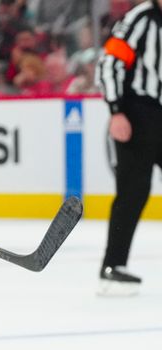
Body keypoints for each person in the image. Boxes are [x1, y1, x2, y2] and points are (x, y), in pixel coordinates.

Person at [95, 0, 162, 295]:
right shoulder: (140, 18)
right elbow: (109, 63)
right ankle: (112, 268)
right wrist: (117, 110)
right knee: (134, 190)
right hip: (138, 113)